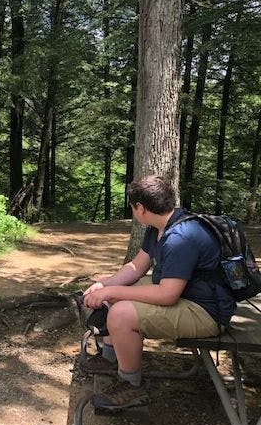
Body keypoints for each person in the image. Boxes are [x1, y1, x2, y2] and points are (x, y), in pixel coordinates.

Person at [81, 175, 236, 411]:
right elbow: (137, 266)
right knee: (115, 295)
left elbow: (167, 295)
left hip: (206, 313)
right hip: (186, 297)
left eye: (133, 207)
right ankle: (111, 357)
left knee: (121, 313)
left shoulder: (180, 238)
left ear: (141, 208)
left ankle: (132, 385)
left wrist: (113, 291)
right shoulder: (159, 227)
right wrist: (105, 285)